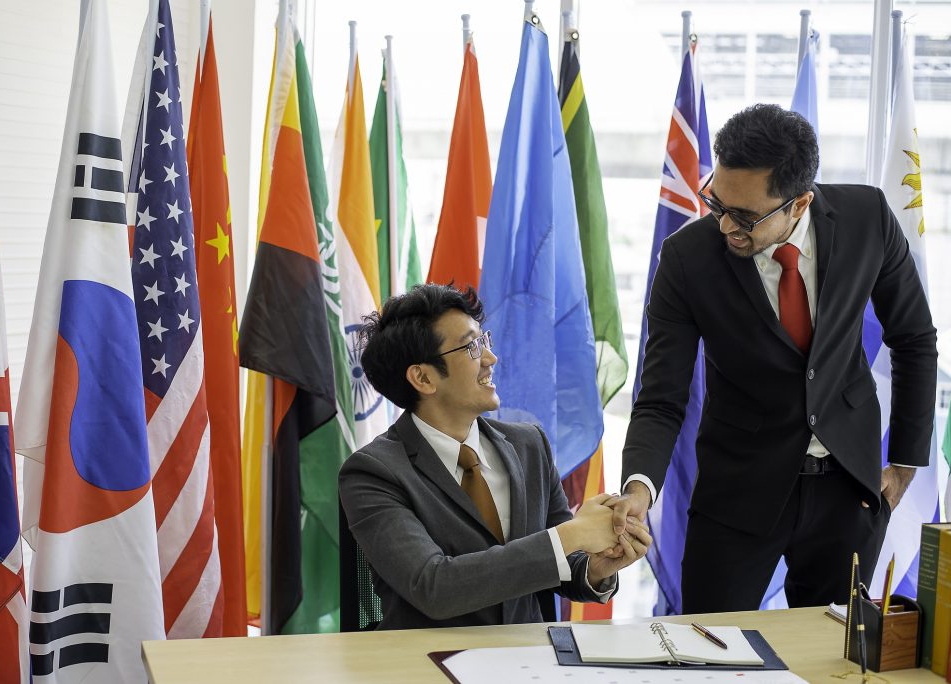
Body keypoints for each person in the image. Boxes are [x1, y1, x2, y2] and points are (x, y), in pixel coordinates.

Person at [615, 104, 937, 613]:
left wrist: (904, 462)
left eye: (744, 217)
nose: (724, 226)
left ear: (799, 202)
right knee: (710, 652)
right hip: (736, 493)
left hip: (848, 489)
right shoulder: (686, 260)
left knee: (831, 657)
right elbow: (660, 398)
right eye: (716, 203)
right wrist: (638, 487)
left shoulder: (867, 219)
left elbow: (915, 338)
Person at [339, 284, 650, 629]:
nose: (490, 358)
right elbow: (434, 587)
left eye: (484, 340)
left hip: (531, 662)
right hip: (430, 665)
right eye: (471, 347)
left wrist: (597, 567)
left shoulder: (529, 444)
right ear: (423, 378)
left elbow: (563, 565)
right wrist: (573, 534)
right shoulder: (373, 472)